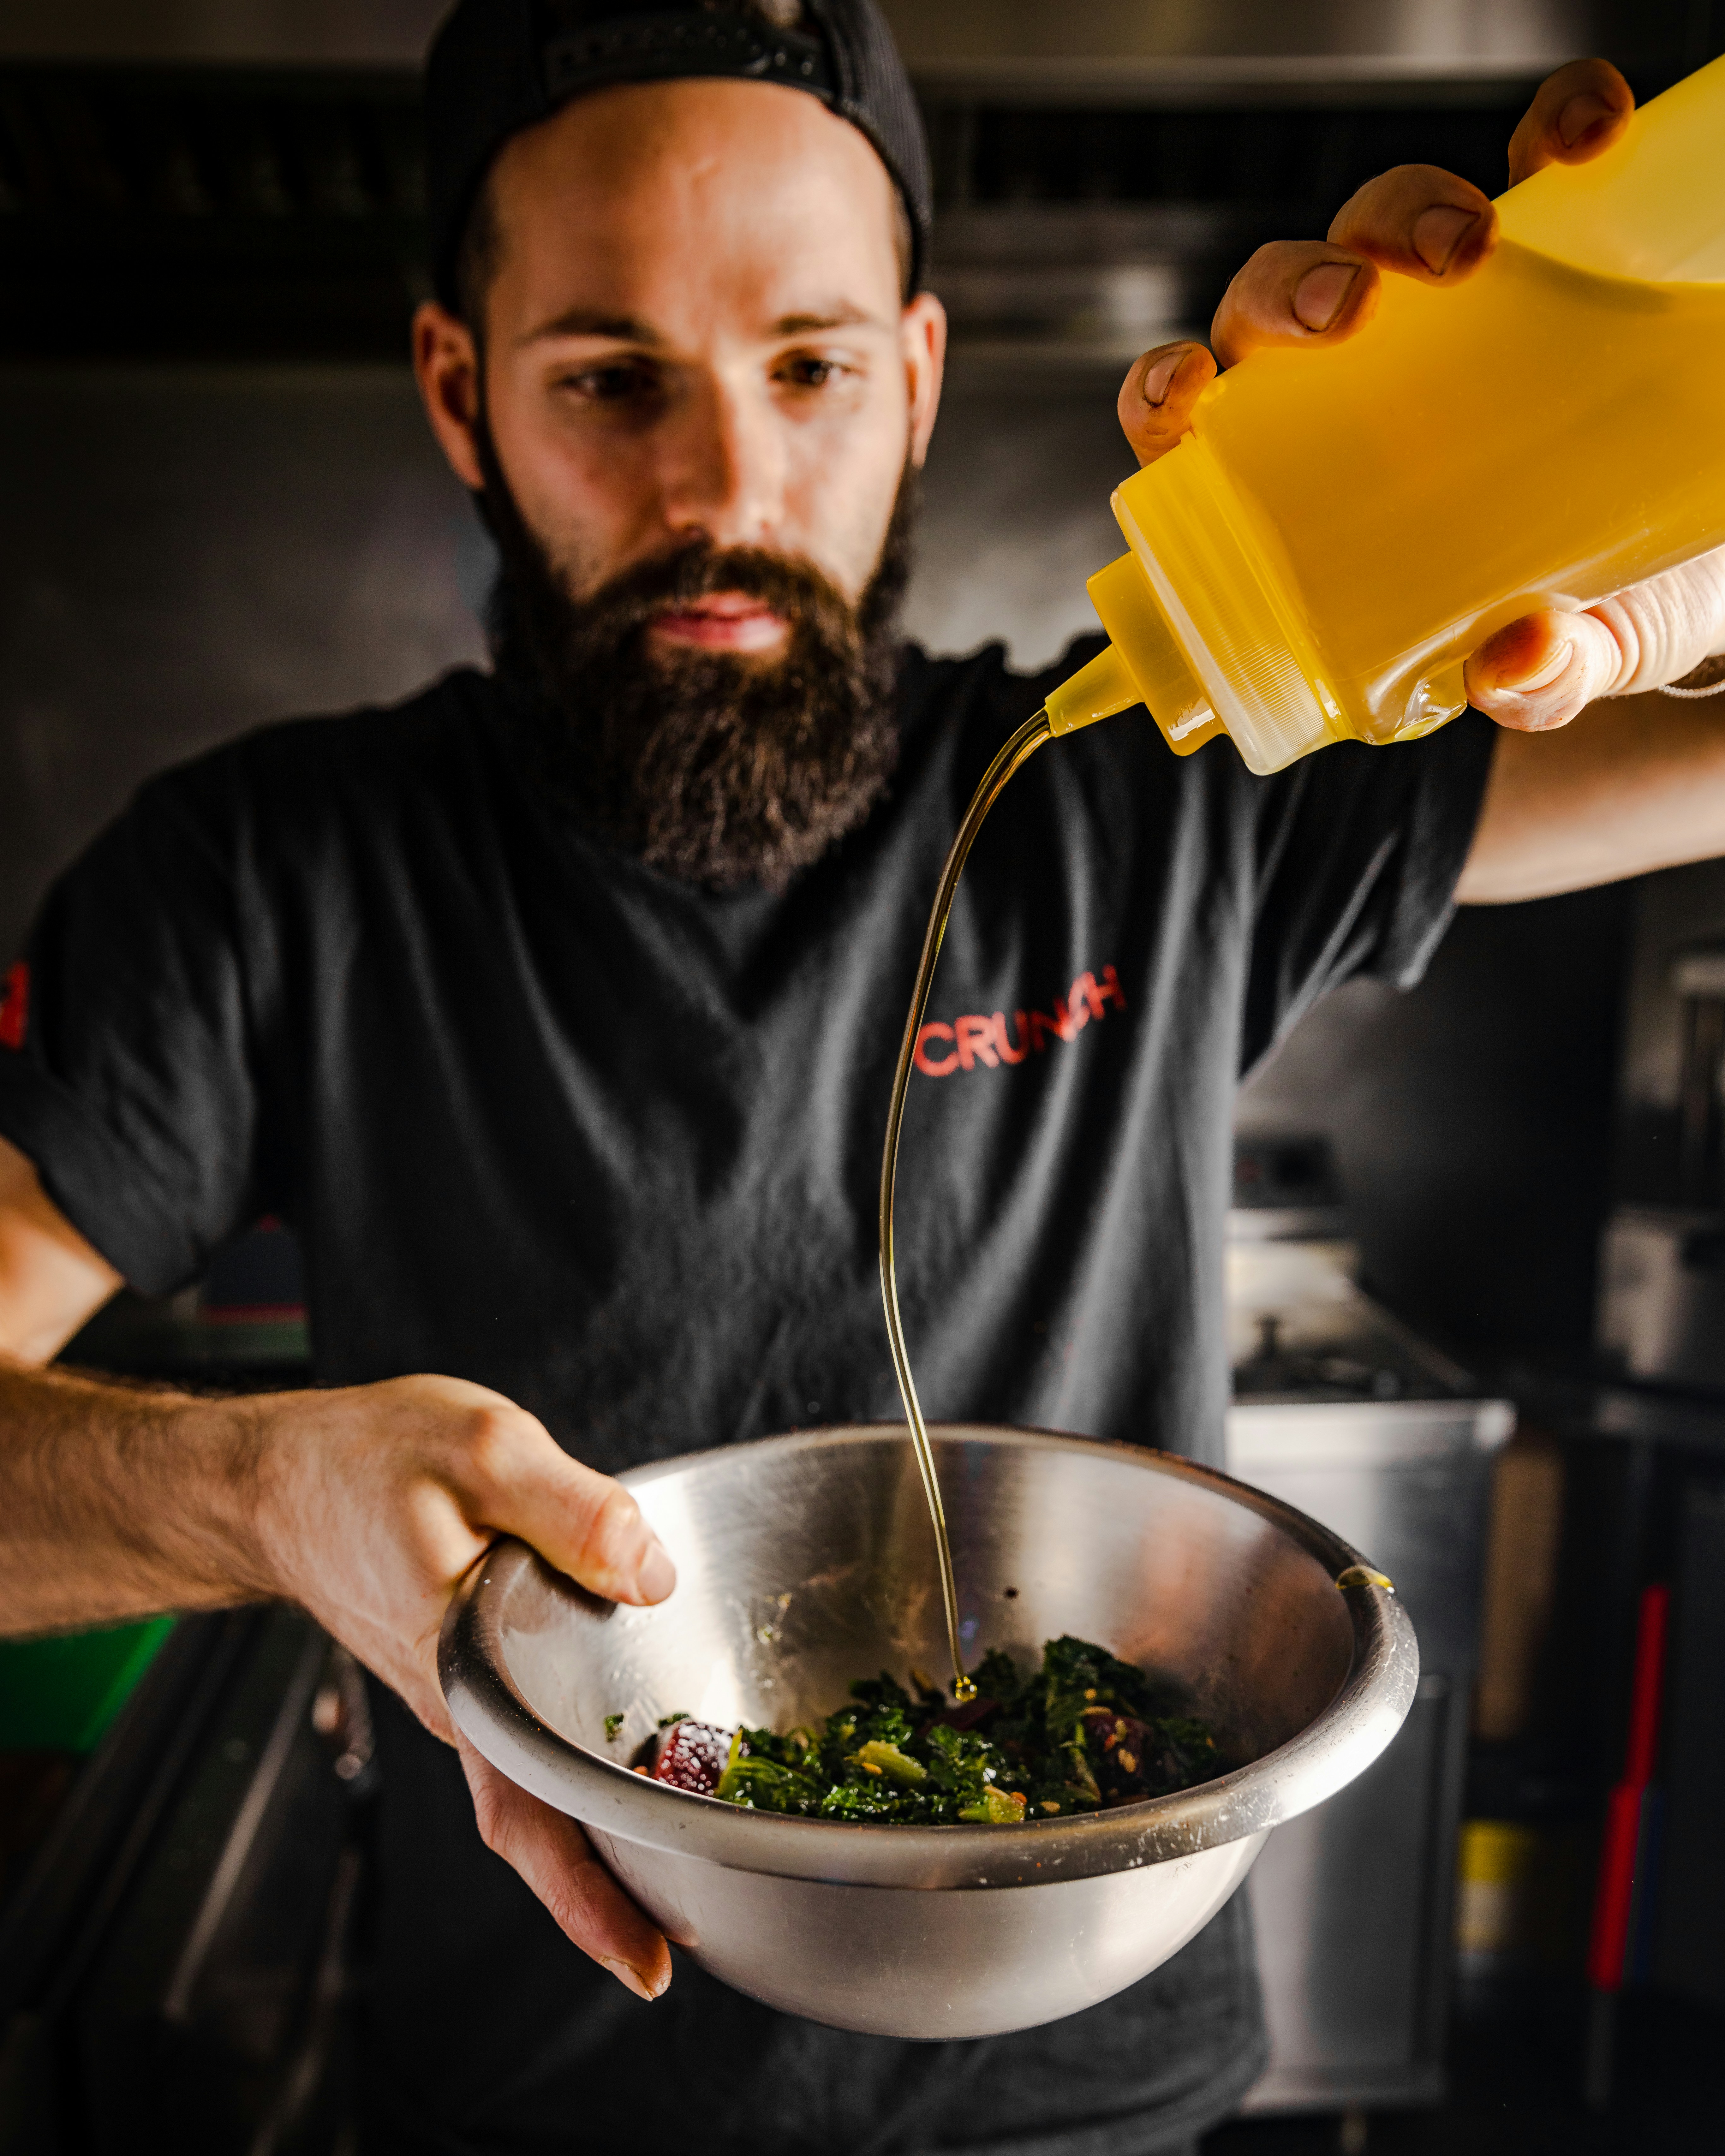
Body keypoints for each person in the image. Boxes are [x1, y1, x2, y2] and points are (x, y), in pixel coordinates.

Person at [1, 6, 1720, 2148]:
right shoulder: (263, 874)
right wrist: (255, 1494)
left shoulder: (1172, 805)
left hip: (1089, 2099)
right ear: (464, 392)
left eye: (806, 367)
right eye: (612, 379)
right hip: (536, 2104)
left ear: (912, 380)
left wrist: (1668, 572)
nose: (720, 488)